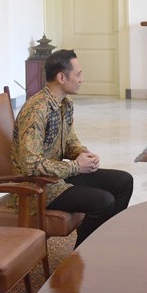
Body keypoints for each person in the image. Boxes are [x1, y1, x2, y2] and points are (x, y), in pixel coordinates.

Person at [12, 49, 133, 247]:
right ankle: (82, 255)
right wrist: (76, 167)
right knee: (103, 202)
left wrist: (83, 154)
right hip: (39, 187)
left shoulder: (64, 104)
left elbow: (70, 141)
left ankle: (102, 245)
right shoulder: (36, 110)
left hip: (58, 176)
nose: (82, 79)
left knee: (124, 182)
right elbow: (29, 165)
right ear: (61, 77)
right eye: (78, 74)